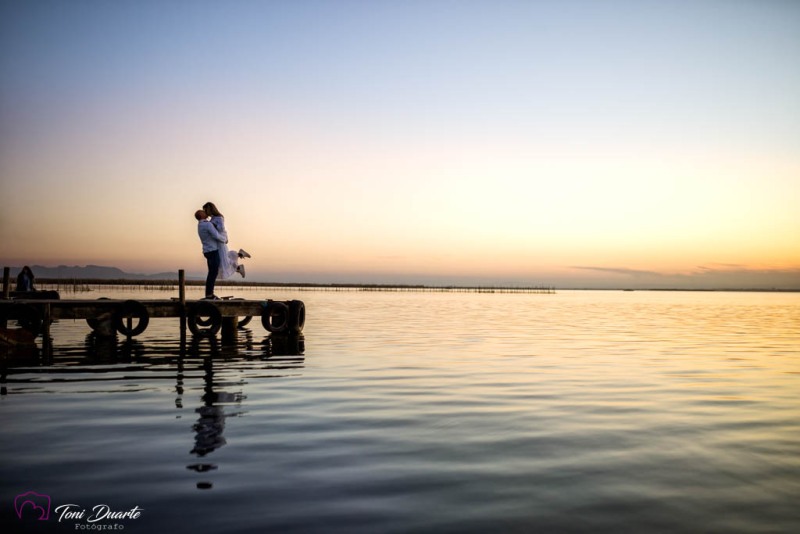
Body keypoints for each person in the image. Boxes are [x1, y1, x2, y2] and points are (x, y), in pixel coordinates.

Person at [202, 202, 251, 279]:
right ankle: (239, 259)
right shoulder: (213, 219)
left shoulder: (219, 218)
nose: (205, 212)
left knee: (224, 261)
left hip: (220, 241)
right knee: (225, 259)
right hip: (218, 241)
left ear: (210, 209)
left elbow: (221, 229)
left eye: (205, 210)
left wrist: (213, 227)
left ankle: (239, 264)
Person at [195, 209, 227, 299]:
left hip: (207, 251)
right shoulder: (207, 224)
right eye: (203, 212)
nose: (205, 212)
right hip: (213, 251)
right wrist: (225, 239)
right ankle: (209, 294)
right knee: (213, 273)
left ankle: (209, 294)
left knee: (211, 273)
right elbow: (216, 235)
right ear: (201, 216)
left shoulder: (200, 225)